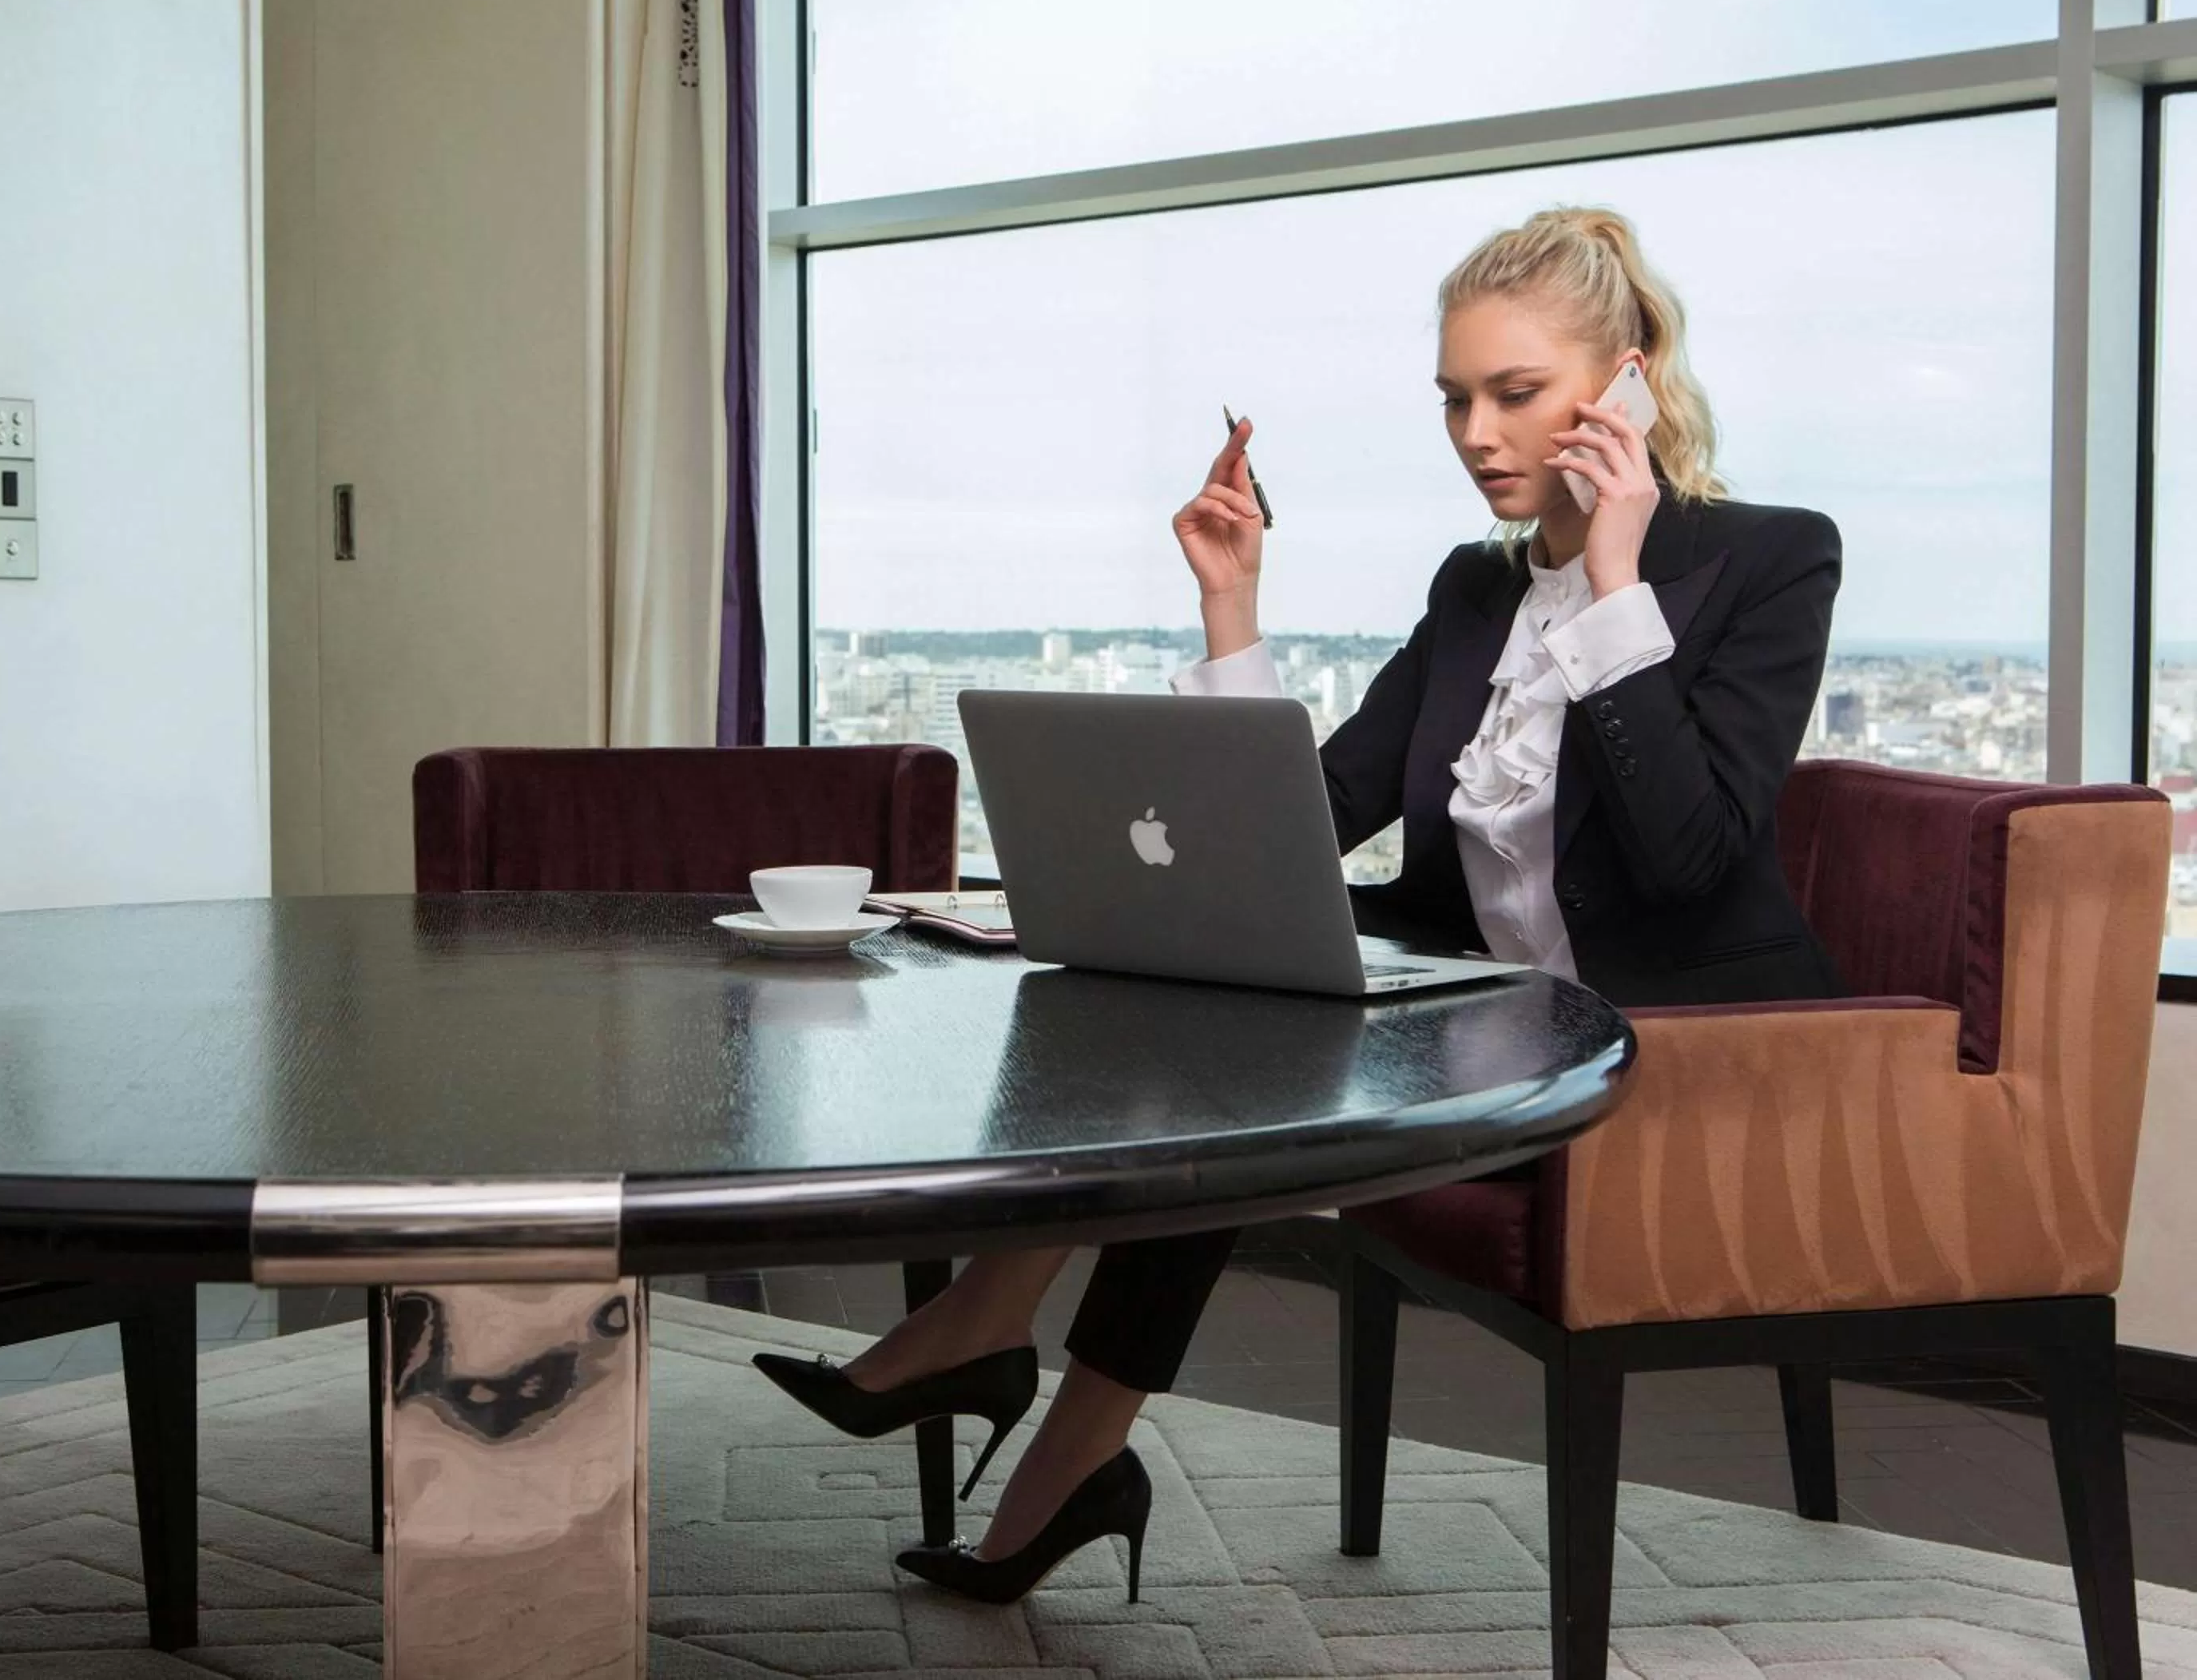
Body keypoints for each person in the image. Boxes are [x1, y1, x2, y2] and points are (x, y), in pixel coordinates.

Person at [755, 205, 1846, 1603]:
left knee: (1236, 1046)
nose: (1475, 431)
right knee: (1203, 1005)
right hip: (1491, 1019)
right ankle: (1054, 1423)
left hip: (1679, 1045)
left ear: (1625, 379)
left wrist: (1619, 580)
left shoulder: (1767, 559)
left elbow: (1692, 856)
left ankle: (1000, 1346)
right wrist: (1231, 605)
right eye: (1455, 396)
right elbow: (1317, 817)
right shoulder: (1475, 588)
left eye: (1515, 393)